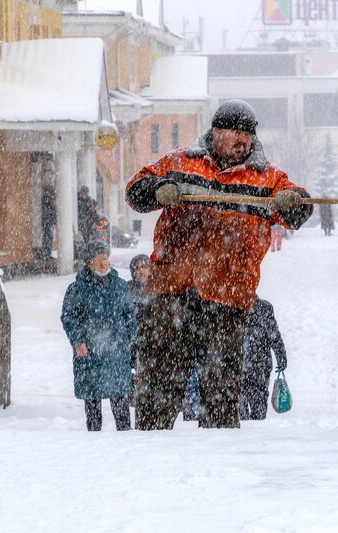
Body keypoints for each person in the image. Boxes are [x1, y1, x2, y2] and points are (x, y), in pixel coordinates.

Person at [125, 99, 312, 429]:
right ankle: (149, 450)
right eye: (235, 132)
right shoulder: (178, 163)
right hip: (171, 293)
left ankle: (219, 457)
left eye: (248, 134)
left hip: (228, 298)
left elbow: (299, 211)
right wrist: (160, 190)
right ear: (215, 132)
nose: (242, 140)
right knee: (158, 387)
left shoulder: (268, 179)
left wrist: (294, 201)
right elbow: (135, 191)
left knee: (221, 393)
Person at [61, 241, 137, 431]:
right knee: (92, 398)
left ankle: (124, 436)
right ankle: (93, 439)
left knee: (119, 397)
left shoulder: (120, 286)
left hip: (116, 351)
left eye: (104, 258)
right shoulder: (77, 288)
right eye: (97, 259)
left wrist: (129, 338)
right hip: (90, 351)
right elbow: (68, 317)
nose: (102, 263)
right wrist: (78, 340)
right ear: (88, 263)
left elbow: (130, 314)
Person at [239, 297, 287, 421]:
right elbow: (274, 335)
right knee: (258, 404)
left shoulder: (233, 307)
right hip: (260, 363)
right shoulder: (264, 308)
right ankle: (255, 430)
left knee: (240, 406)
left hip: (240, 364)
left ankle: (244, 431)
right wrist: (281, 356)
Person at [39, 179, 57, 259]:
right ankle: (46, 254)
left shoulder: (47, 197)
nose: (54, 191)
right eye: (52, 189)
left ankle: (47, 253)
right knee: (48, 237)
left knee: (48, 237)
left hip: (48, 220)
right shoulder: (47, 197)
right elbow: (52, 207)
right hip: (47, 220)